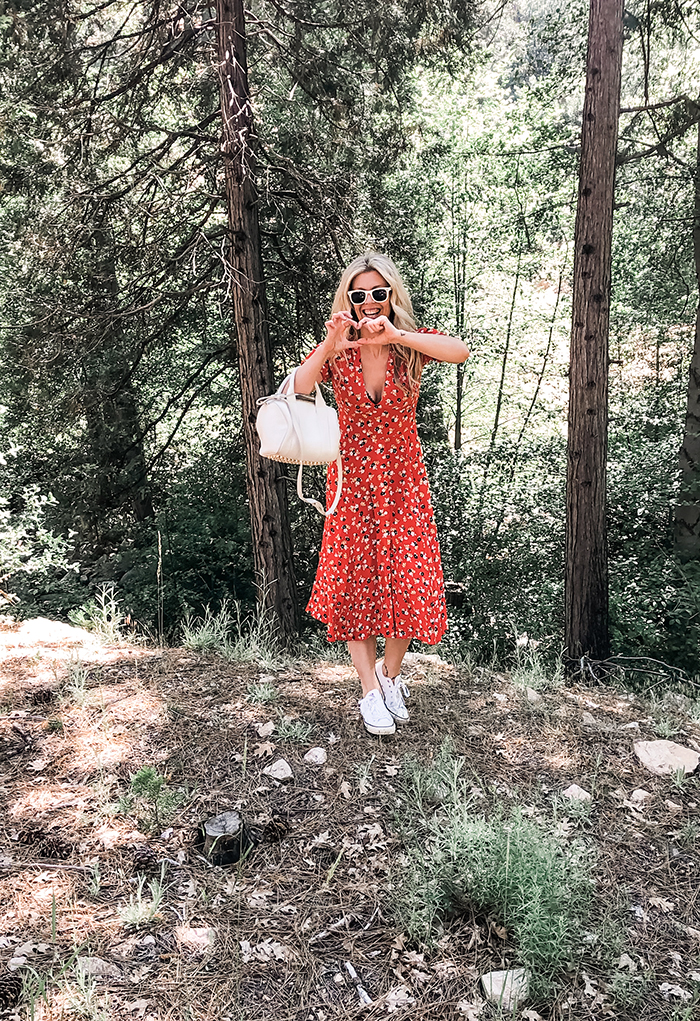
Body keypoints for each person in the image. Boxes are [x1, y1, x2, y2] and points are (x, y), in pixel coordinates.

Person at [294, 253, 469, 736]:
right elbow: (301, 386)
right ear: (347, 300)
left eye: (378, 293)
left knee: (409, 580)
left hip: (402, 481)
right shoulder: (340, 349)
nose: (369, 302)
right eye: (359, 294)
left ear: (391, 296)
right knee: (353, 585)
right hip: (350, 481)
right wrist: (331, 342)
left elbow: (460, 351)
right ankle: (369, 690)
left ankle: (392, 679)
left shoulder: (408, 346)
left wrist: (396, 335)